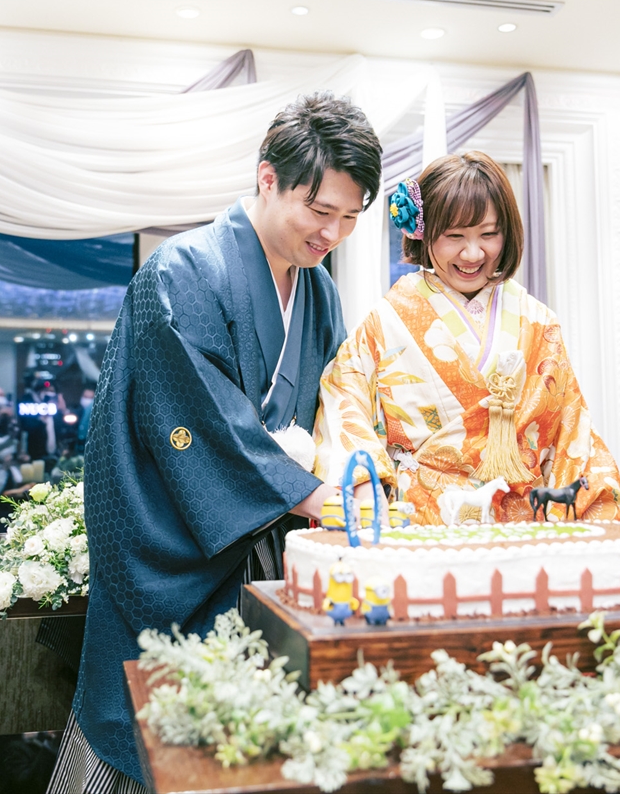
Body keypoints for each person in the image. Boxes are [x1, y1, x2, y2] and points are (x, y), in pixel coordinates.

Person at [51, 93, 383, 794]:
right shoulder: (184, 271)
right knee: (157, 732)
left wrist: (354, 470)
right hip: (181, 543)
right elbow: (195, 419)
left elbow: (336, 408)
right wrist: (310, 493)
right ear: (268, 179)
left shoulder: (320, 294)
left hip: (271, 551)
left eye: (351, 217)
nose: (333, 233)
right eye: (319, 210)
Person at [314, 151, 620, 526]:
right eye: (454, 236)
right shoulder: (386, 321)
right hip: (421, 522)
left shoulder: (537, 322)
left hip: (518, 525)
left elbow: (570, 433)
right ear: (423, 232)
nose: (472, 253)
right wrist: (364, 490)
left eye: (488, 234)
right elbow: (344, 400)